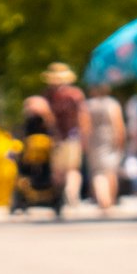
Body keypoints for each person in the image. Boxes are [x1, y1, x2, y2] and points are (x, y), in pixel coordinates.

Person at [41, 63, 86, 207]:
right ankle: (71, 195)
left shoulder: (47, 95)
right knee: (72, 169)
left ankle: (59, 196)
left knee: (58, 171)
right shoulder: (75, 94)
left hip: (55, 136)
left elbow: (46, 118)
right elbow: (82, 117)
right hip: (73, 135)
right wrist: (85, 136)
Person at [86, 82, 127, 216]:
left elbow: (84, 125)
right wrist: (121, 141)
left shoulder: (88, 105)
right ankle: (109, 200)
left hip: (94, 140)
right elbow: (118, 124)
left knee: (98, 172)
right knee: (110, 170)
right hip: (110, 139)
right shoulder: (111, 104)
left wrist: (86, 143)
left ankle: (103, 200)